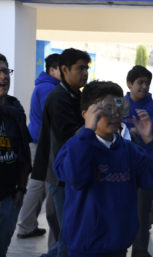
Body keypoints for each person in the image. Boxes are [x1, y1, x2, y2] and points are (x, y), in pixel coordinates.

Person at [53, 80, 153, 257]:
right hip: (84, 247)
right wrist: (87, 132)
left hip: (119, 244)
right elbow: (75, 177)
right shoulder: (74, 147)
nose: (115, 115)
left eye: (119, 108)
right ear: (87, 114)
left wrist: (150, 141)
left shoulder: (130, 150)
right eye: (107, 109)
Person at [31, 48, 91, 257]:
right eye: (80, 68)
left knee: (69, 235)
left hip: (69, 172)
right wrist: (96, 127)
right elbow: (71, 134)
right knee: (68, 238)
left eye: (86, 68)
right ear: (64, 69)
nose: (85, 73)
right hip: (59, 174)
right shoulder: (59, 97)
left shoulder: (75, 95)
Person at [17, 54, 61, 248]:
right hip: (39, 142)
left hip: (39, 142)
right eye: (63, 68)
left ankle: (28, 225)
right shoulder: (48, 88)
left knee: (40, 185)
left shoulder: (46, 86)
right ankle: (25, 226)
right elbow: (51, 117)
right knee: (37, 184)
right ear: (53, 70)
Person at [122, 65, 153, 257]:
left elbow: (150, 138)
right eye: (140, 83)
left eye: (147, 83)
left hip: (143, 168)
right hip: (119, 166)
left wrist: (131, 133)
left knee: (141, 214)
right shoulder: (120, 104)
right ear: (129, 83)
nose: (144, 87)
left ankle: (140, 252)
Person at [0, 53, 32, 257]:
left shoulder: (15, 110)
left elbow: (23, 152)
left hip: (8, 197)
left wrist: (21, 188)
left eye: (5, 71)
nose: (3, 76)